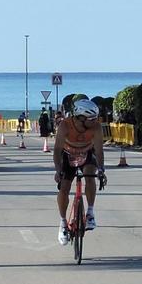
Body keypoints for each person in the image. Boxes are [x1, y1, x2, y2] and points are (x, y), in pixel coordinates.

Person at [53, 95, 104, 241]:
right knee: (64, 187)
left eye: (96, 118)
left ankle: (90, 213)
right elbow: (57, 150)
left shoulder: (96, 128)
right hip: (67, 155)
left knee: (90, 176)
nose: (95, 121)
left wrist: (101, 170)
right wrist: (58, 170)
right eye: (91, 119)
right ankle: (63, 223)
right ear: (80, 117)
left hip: (87, 153)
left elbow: (99, 151)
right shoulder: (65, 125)